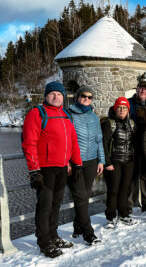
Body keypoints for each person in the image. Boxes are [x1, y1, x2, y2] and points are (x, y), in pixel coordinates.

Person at [22, 81, 83, 258]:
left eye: (59, 94)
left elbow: (73, 141)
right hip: (45, 169)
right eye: (53, 94)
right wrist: (34, 170)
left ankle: (54, 235)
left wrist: (77, 163)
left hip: (62, 167)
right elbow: (29, 143)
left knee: (56, 204)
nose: (56, 97)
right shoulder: (37, 113)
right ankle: (44, 241)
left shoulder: (65, 114)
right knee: (45, 205)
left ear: (64, 97)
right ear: (46, 96)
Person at [67, 85, 104, 245]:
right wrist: (68, 161)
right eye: (84, 96)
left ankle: (77, 227)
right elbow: (66, 140)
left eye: (90, 97)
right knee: (80, 196)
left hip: (91, 161)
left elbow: (99, 140)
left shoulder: (94, 117)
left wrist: (101, 160)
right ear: (77, 97)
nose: (86, 99)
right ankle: (88, 233)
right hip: (76, 161)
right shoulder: (69, 115)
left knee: (84, 196)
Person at [102, 97, 136, 228]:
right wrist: (107, 162)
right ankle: (110, 216)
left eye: (125, 108)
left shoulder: (131, 124)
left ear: (128, 110)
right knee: (113, 190)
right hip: (114, 162)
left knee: (125, 189)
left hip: (128, 162)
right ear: (115, 109)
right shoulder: (108, 124)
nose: (122, 110)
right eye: (119, 108)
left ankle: (123, 214)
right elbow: (104, 144)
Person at [128, 78, 146, 212]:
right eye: (141, 88)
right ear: (137, 89)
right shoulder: (129, 103)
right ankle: (130, 206)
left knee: (145, 176)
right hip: (132, 145)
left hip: (145, 146)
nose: (143, 91)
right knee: (132, 176)